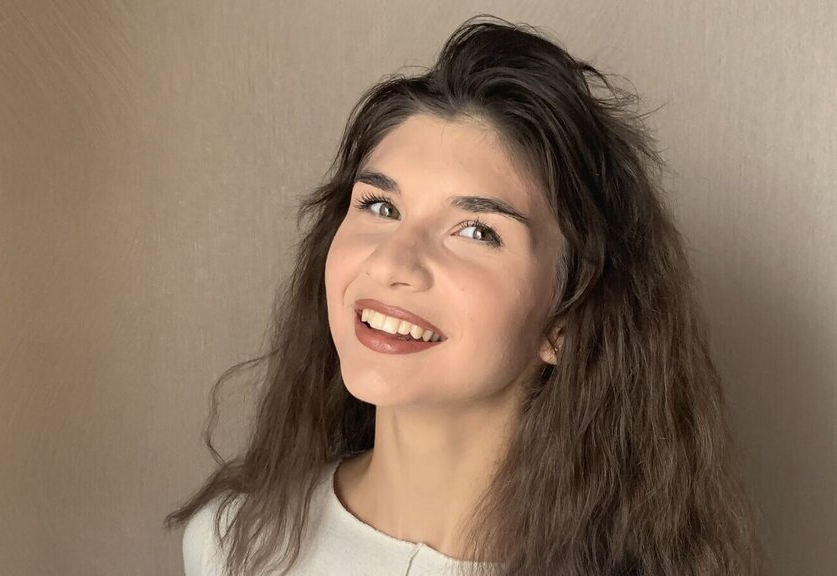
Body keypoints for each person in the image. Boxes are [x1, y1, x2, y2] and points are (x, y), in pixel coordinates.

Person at [165, 14, 761, 576]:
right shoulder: (230, 545)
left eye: (476, 231)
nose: (392, 262)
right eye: (380, 206)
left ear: (566, 319)